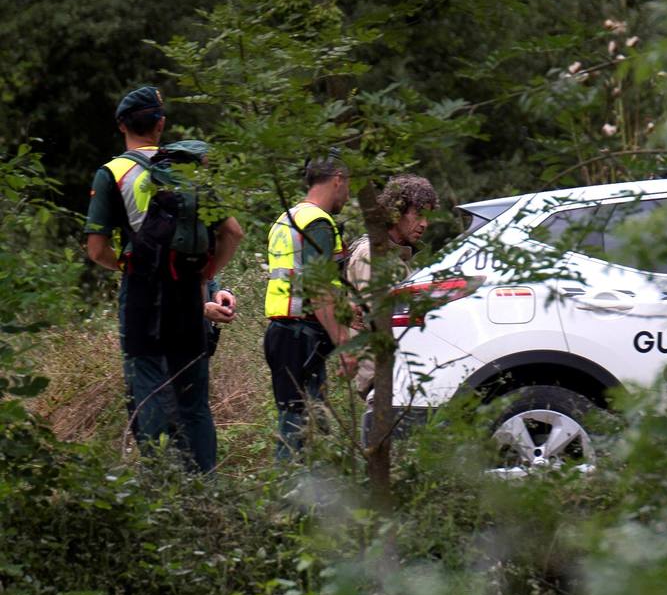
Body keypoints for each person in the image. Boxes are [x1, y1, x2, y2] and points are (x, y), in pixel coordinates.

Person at [84, 85, 243, 472]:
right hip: (189, 294)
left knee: (148, 391)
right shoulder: (188, 167)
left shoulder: (113, 173)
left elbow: (96, 250)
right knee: (193, 400)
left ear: (122, 126)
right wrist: (206, 274)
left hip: (142, 298)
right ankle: (205, 486)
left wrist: (132, 267)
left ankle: (162, 487)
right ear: (161, 124)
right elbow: (233, 232)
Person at [264, 153, 356, 461]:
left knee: (308, 422)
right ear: (338, 179)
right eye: (349, 185)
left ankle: (309, 496)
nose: (349, 194)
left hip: (283, 331)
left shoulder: (286, 218)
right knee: (298, 426)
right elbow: (317, 289)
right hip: (302, 335)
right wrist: (344, 343)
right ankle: (285, 499)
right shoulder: (317, 222)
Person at [345, 174, 440, 399]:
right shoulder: (372, 255)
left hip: (394, 373)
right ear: (396, 212)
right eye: (419, 214)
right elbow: (381, 320)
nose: (425, 224)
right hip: (381, 376)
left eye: (428, 217)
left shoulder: (395, 257)